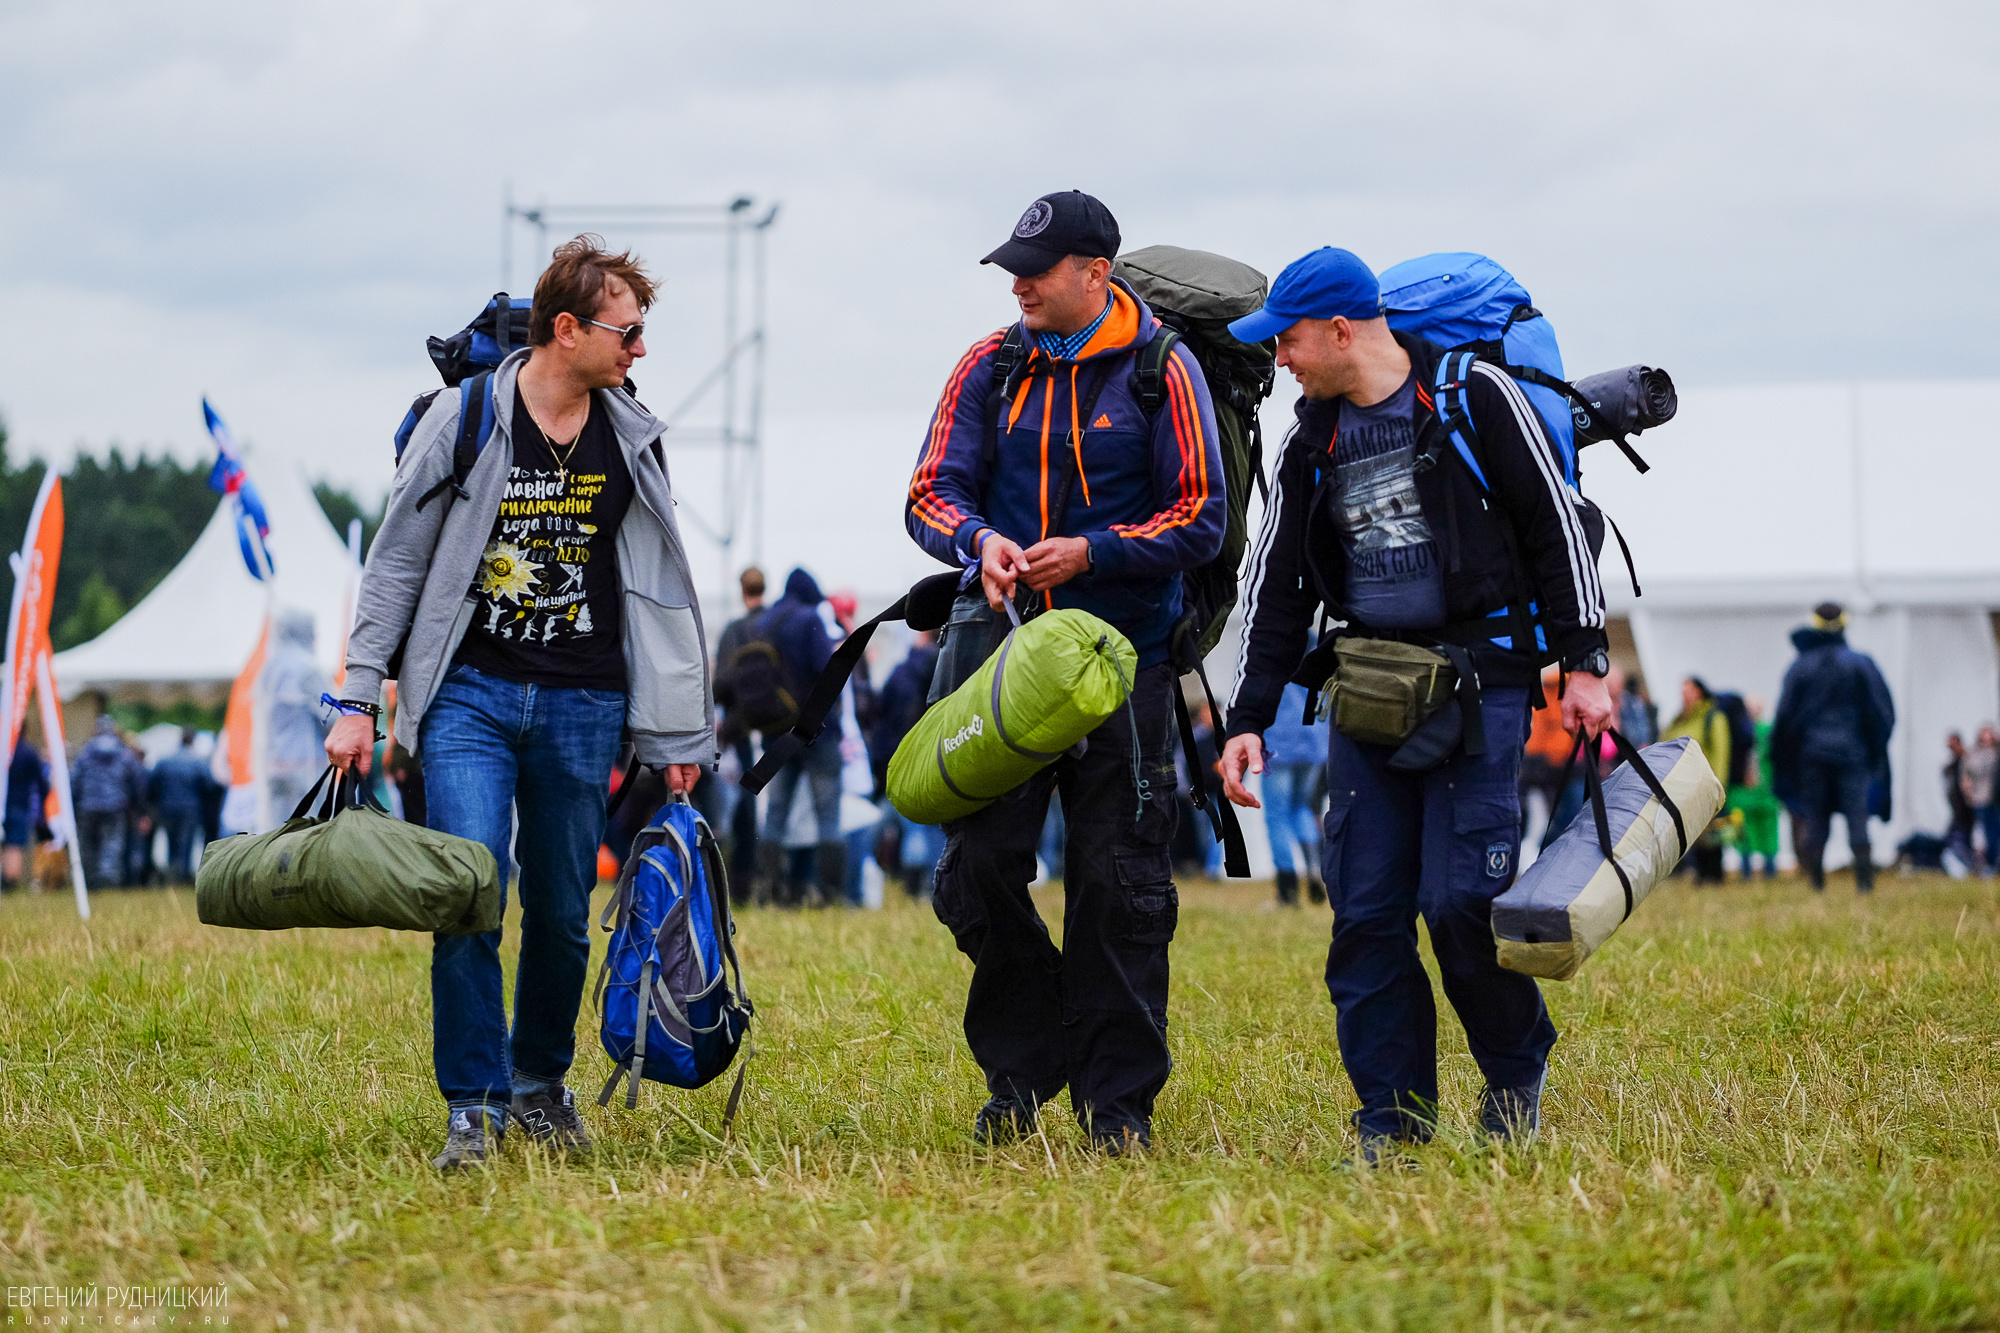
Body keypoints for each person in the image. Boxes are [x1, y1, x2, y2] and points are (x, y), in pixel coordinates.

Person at [1216, 246, 1614, 1160]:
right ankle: (1391, 1120)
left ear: (1339, 330)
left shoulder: (1476, 396)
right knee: (1364, 914)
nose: (1279, 358)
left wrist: (1585, 660)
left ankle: (1513, 1072)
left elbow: (1554, 526)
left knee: (1461, 902)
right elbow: (1277, 585)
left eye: (1287, 339)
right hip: (1371, 692)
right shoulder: (1310, 439)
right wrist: (1247, 718)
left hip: (1483, 686)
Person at [327, 235, 715, 1171]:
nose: (640, 349)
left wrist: (675, 731)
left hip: (586, 699)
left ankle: (539, 1083)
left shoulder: (632, 434)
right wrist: (356, 696)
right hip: (469, 692)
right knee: (469, 890)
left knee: (563, 909)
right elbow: (395, 562)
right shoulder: (464, 418)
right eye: (627, 331)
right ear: (567, 329)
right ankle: (473, 1103)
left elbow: (660, 590)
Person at [904, 190, 1224, 1153]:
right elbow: (928, 492)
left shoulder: (1166, 368)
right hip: (1002, 661)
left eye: (1036, 270)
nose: (1018, 286)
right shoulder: (989, 364)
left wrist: (1094, 553)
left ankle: (1116, 1107)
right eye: (1013, 269)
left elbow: (1200, 517)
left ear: (1096, 272)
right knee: (976, 869)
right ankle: (1024, 1066)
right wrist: (980, 539)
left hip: (1126, 668)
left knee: (1119, 882)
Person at [1772, 603, 1895, 893]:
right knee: (1857, 815)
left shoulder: (1801, 666)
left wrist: (1786, 758)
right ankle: (1864, 884)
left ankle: (1816, 884)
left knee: (1815, 815)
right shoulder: (1860, 663)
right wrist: (1873, 749)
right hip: (1853, 754)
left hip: (1812, 755)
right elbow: (1883, 713)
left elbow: (1785, 718)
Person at [754, 567, 843, 906]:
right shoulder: (809, 619)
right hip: (818, 733)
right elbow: (828, 670)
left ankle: (770, 890)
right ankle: (829, 894)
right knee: (828, 816)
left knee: (775, 814)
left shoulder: (764, 624)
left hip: (778, 736)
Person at [871, 629, 942, 899]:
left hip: (897, 754)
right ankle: (933, 883)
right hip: (934, 750)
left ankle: (911, 882)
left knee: (908, 822)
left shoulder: (903, 670)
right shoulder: (946, 666)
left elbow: (880, 708)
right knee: (931, 824)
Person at [711, 567, 767, 887]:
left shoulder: (733, 631)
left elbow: (721, 683)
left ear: (741, 590)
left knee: (742, 807)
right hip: (777, 729)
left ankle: (739, 881)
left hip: (741, 729)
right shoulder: (775, 624)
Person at [1259, 680, 1327, 907]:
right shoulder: (1316, 656)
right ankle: (1314, 868)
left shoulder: (1272, 656)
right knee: (1301, 807)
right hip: (1313, 742)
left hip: (1279, 742)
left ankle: (1287, 891)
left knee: (1276, 816)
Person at [1662, 677, 1732, 884]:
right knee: (1692, 830)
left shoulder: (1713, 717)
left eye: (1689, 689)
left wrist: (1718, 785)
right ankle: (1700, 873)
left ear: (1699, 691)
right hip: (1681, 787)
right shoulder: (1678, 719)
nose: (1684, 694)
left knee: (1712, 830)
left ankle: (1714, 874)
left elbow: (1721, 752)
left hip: (1704, 783)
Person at [71, 716, 145, 890]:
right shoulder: (124, 753)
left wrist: (74, 806)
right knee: (112, 843)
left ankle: (91, 880)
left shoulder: (84, 753)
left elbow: (74, 782)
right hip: (115, 806)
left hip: (87, 807)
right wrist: (137, 807)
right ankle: (108, 878)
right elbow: (138, 781)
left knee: (88, 844)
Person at [148, 729, 218, 883]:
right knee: (186, 842)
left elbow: (151, 782)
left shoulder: (164, 760)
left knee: (171, 841)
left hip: (166, 807)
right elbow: (210, 785)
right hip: (189, 809)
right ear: (192, 740)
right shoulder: (197, 761)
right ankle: (182, 874)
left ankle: (171, 872)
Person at [3, 737, 50, 889]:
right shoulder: (28, 752)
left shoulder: (4, 748)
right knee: (14, 845)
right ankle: (9, 883)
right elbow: (41, 782)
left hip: (4, 803)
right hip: (19, 804)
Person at [1960, 724, 1998, 875]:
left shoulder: (1996, 752)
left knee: (1994, 833)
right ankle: (1985, 864)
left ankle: (1993, 862)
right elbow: (1966, 775)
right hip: (1980, 799)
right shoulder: (1974, 753)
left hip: (1995, 799)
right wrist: (1969, 792)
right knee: (1983, 834)